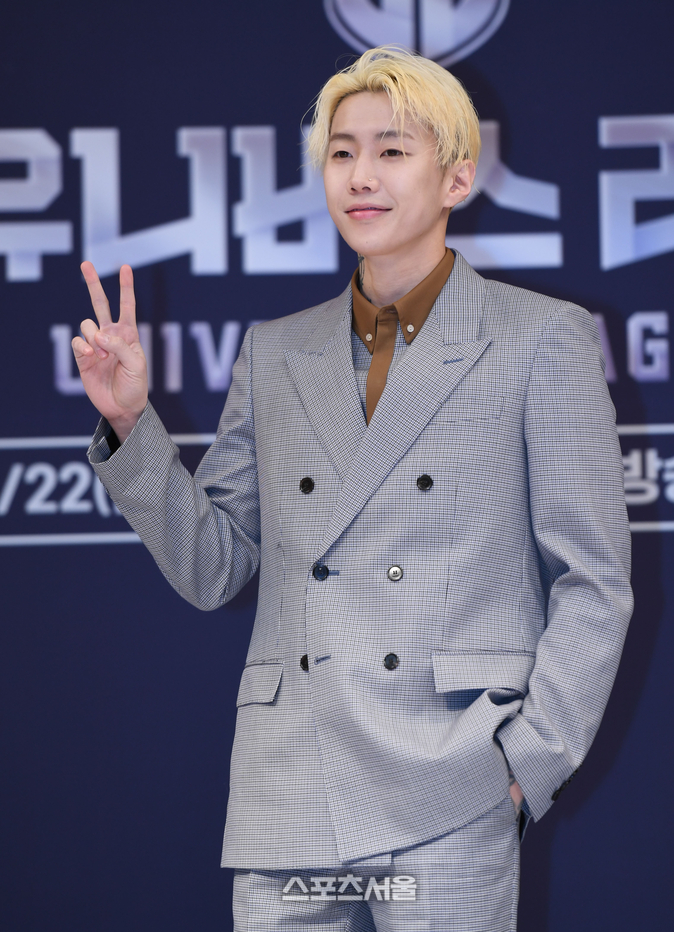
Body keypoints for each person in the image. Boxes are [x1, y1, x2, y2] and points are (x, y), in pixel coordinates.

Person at [72, 47, 633, 932]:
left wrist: (526, 763)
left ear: (457, 177)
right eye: (341, 153)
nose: (360, 176)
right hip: (290, 775)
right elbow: (214, 568)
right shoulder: (275, 350)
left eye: (392, 151)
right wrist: (133, 425)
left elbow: (594, 579)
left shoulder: (540, 338)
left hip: (451, 774)